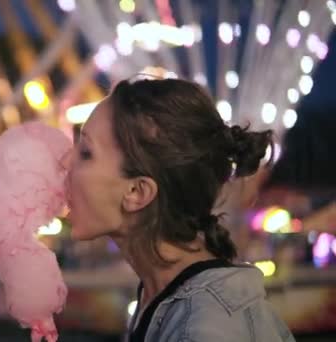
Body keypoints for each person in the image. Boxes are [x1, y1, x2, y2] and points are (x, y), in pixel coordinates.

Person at [65, 77, 295, 341]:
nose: (64, 162)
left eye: (85, 153)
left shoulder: (204, 329)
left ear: (137, 192)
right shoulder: (160, 295)